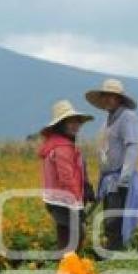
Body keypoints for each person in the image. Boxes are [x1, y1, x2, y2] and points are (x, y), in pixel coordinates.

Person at [85, 79, 138, 254]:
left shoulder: (127, 117)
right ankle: (111, 251)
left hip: (120, 178)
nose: (109, 100)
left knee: (115, 219)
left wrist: (124, 177)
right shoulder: (107, 121)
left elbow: (132, 146)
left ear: (119, 99)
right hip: (109, 179)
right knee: (109, 218)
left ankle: (115, 253)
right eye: (106, 96)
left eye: (113, 97)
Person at [38, 100, 96, 257]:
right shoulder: (62, 147)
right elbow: (67, 179)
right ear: (61, 124)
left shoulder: (59, 143)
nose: (75, 125)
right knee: (73, 240)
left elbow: (76, 171)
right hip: (64, 201)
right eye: (70, 121)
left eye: (76, 121)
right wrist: (77, 206)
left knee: (67, 238)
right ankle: (66, 273)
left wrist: (86, 187)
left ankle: (65, 273)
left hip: (58, 200)